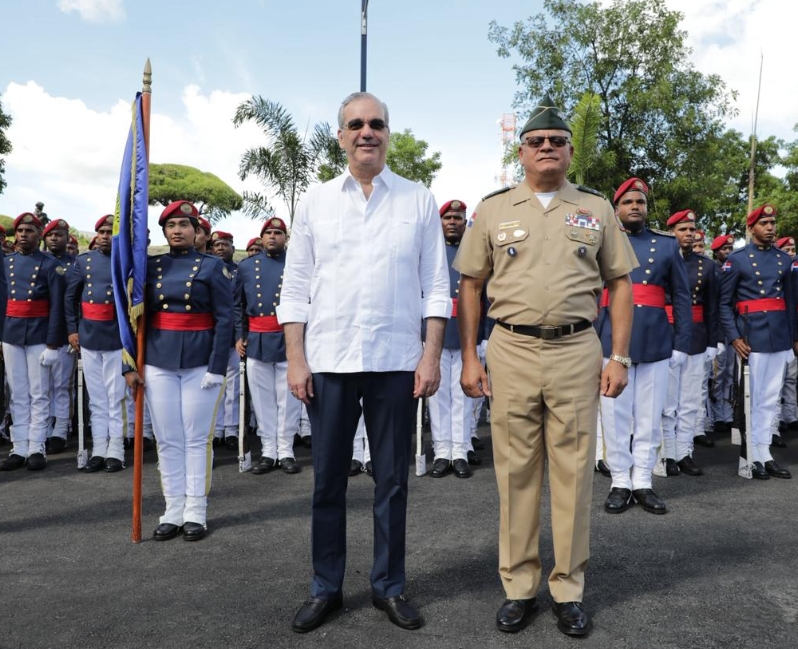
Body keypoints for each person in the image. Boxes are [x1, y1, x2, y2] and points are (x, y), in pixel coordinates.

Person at [455, 95, 635, 638]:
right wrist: (469, 355)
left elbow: (620, 283)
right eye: (537, 142)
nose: (547, 148)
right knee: (514, 471)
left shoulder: (597, 209)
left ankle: (568, 587)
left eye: (557, 141)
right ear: (522, 152)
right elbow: (471, 284)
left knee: (574, 472)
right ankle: (518, 586)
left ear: (570, 151)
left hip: (577, 350)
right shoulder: (494, 209)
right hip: (509, 348)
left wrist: (618, 355)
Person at [278, 91, 450, 633]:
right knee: (327, 480)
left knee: (392, 482)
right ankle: (325, 587)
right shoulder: (315, 203)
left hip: (397, 362)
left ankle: (388, 586)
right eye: (355, 124)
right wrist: (296, 360)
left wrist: (430, 357)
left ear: (388, 132)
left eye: (375, 123)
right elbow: (296, 288)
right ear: (340, 135)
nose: (366, 132)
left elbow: (436, 286)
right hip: (328, 361)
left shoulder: (418, 200)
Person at [124, 201, 233, 541]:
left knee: (197, 440)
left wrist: (217, 367)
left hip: (201, 363)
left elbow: (225, 319)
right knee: (169, 440)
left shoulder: (212, 267)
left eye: (184, 225)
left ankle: (196, 512)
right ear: (164, 232)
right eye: (171, 226)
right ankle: (173, 509)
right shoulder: (150, 268)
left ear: (196, 230)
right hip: (158, 361)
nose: (177, 231)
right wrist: (128, 364)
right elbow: (132, 317)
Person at [597, 178, 692, 516]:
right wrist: (595, 340)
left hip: (654, 338)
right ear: (616, 208)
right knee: (615, 415)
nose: (634, 206)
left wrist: (681, 342)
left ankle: (642, 482)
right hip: (610, 338)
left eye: (640, 202)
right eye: (627, 202)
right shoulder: (604, 241)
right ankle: (620, 480)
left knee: (650, 417)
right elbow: (594, 295)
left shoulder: (667, 246)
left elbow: (681, 296)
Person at [718, 204, 794, 479]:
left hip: (779, 336)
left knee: (771, 400)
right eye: (764, 223)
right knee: (751, 400)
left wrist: (794, 338)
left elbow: (791, 302)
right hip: (751, 337)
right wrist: (734, 337)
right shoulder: (737, 259)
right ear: (752, 228)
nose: (771, 228)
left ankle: (765, 452)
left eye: (773, 222)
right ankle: (751, 456)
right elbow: (724, 304)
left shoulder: (784, 260)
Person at [234, 217, 301, 475]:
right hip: (257, 340)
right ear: (261, 238)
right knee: (262, 401)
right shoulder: (247, 267)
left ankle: (286, 450)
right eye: (268, 233)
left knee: (288, 400)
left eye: (278, 232)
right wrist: (239, 335)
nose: (272, 237)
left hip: (287, 339)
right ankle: (268, 450)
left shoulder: (296, 266)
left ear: (285, 238)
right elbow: (236, 304)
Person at [656, 210, 718, 477]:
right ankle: (667, 453)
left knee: (691, 400)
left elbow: (713, 306)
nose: (689, 234)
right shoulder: (660, 259)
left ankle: (684, 452)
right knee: (666, 401)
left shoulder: (707, 265)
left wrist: (715, 341)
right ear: (672, 232)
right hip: (666, 333)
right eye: (683, 229)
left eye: (692, 229)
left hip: (696, 336)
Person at [64, 214, 126, 472]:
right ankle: (99, 448)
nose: (104, 235)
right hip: (88, 336)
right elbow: (71, 298)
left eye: (109, 231)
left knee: (115, 396)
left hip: (115, 336)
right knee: (96, 397)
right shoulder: (83, 261)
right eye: (101, 231)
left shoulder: (124, 261)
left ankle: (116, 450)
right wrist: (72, 330)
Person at [0, 212, 61, 472]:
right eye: (21, 231)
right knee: (17, 393)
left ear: (39, 235)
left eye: (30, 230)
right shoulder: (6, 263)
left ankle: (37, 446)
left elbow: (57, 306)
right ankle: (19, 447)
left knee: (39, 393)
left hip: (39, 333)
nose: (24, 235)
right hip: (12, 333)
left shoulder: (49, 264)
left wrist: (52, 343)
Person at [427, 199, 481, 479]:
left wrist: (482, 336)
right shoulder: (430, 253)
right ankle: (441, 452)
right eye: (447, 217)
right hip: (437, 333)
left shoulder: (475, 252)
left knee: (463, 395)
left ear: (464, 223)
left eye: (457, 218)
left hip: (467, 334)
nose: (452, 222)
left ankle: (460, 451)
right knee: (438, 396)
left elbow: (485, 297)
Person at [42, 218, 76, 454]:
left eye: (60, 234)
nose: (55, 238)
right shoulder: (39, 262)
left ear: (67, 238)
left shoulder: (76, 264)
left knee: (62, 385)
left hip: (65, 333)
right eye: (51, 234)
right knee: (41, 387)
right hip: (37, 332)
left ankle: (60, 430)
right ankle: (43, 428)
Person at [705, 234, 736, 442]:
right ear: (716, 251)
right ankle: (717, 414)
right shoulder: (712, 270)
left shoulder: (735, 268)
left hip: (733, 327)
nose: (728, 252)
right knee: (718, 372)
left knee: (731, 373)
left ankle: (727, 412)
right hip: (717, 328)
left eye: (730, 249)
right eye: (724, 249)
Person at [211, 230, 240, 450]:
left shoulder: (239, 271)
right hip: (212, 338)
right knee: (214, 387)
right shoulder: (209, 269)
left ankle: (231, 429)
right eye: (217, 245)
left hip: (232, 339)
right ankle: (217, 429)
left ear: (232, 246)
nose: (220, 248)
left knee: (233, 387)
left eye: (225, 244)